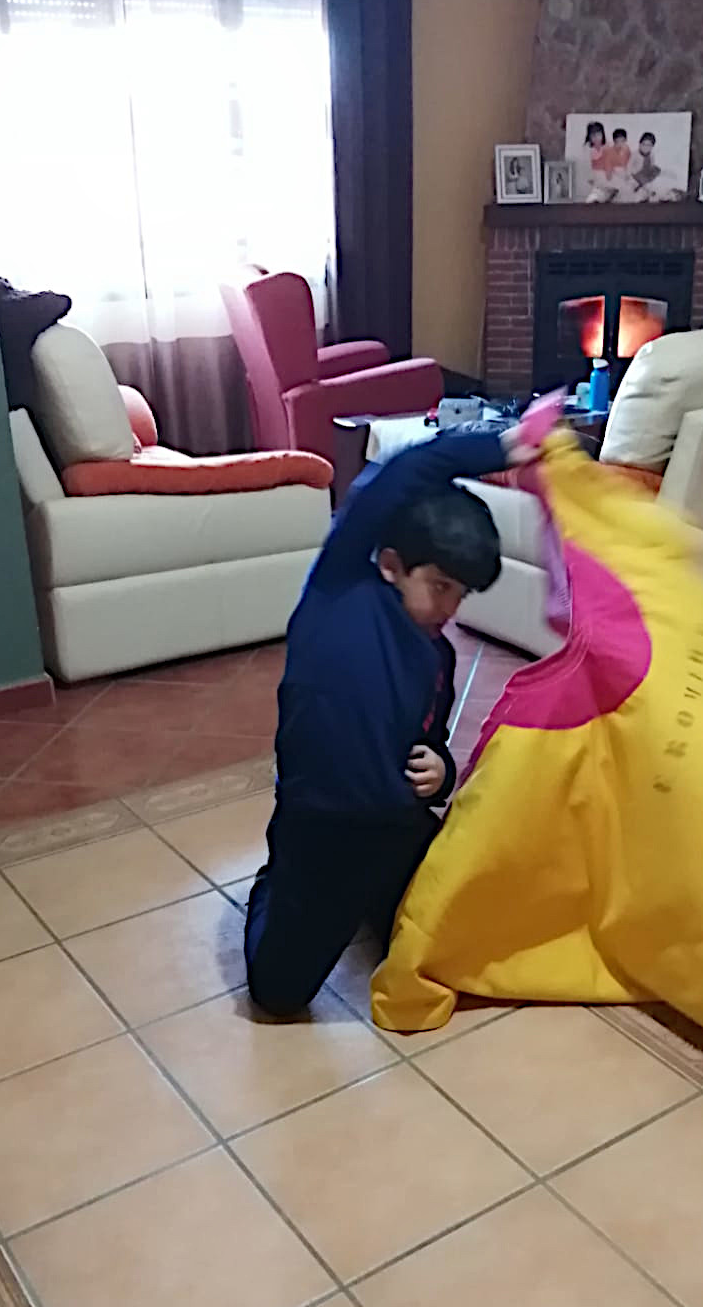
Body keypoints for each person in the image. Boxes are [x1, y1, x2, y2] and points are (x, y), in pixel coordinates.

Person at [244, 425, 536, 1016]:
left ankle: (375, 901)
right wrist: (502, 447)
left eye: (462, 596)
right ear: (392, 566)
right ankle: (274, 884)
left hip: (393, 827)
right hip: (319, 828)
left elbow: (426, 743)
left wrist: (442, 767)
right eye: (440, 587)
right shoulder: (339, 590)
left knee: (446, 943)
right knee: (278, 995)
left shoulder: (439, 656)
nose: (450, 610)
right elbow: (403, 470)